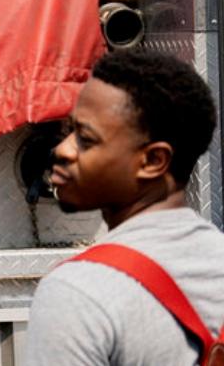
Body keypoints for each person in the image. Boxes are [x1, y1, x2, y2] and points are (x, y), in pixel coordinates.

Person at [24, 49, 224, 365]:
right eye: (69, 132)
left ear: (153, 161)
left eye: (85, 140)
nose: (62, 150)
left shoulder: (76, 294)